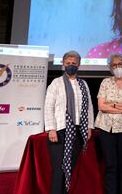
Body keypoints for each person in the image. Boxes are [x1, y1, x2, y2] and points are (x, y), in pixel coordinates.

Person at [44, 50, 94, 194]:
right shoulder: (56, 83)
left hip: (78, 132)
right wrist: (51, 129)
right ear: (63, 64)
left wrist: (89, 127)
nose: (71, 65)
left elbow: (89, 106)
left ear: (78, 65)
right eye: (68, 63)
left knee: (69, 169)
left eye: (74, 63)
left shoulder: (83, 84)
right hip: (60, 130)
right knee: (60, 169)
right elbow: (48, 106)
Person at [95, 53, 122, 194]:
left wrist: (112, 104)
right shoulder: (105, 82)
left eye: (120, 64)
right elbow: (101, 106)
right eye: (114, 65)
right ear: (110, 67)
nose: (117, 67)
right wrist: (121, 107)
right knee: (111, 166)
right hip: (106, 128)